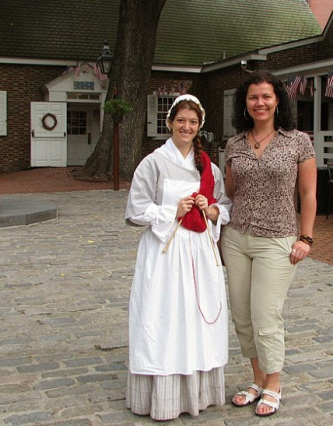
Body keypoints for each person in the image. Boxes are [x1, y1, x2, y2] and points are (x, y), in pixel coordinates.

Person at [125, 94, 231, 420]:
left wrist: (209, 208)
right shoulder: (153, 163)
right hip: (165, 253)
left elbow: (224, 207)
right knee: (165, 316)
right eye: (181, 120)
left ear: (199, 127)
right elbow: (135, 210)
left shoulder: (208, 167)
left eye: (193, 122)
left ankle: (198, 389)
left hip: (199, 249)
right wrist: (172, 210)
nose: (186, 127)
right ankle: (164, 393)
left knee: (196, 318)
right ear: (169, 122)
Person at [222, 71, 317, 417]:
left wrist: (305, 237)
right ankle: (257, 379)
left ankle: (274, 384)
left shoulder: (297, 141)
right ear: (244, 104)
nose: (259, 103)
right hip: (236, 238)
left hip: (277, 239)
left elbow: (308, 193)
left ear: (278, 100)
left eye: (266, 96)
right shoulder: (234, 144)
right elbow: (231, 192)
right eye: (252, 98)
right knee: (242, 316)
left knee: (266, 314)